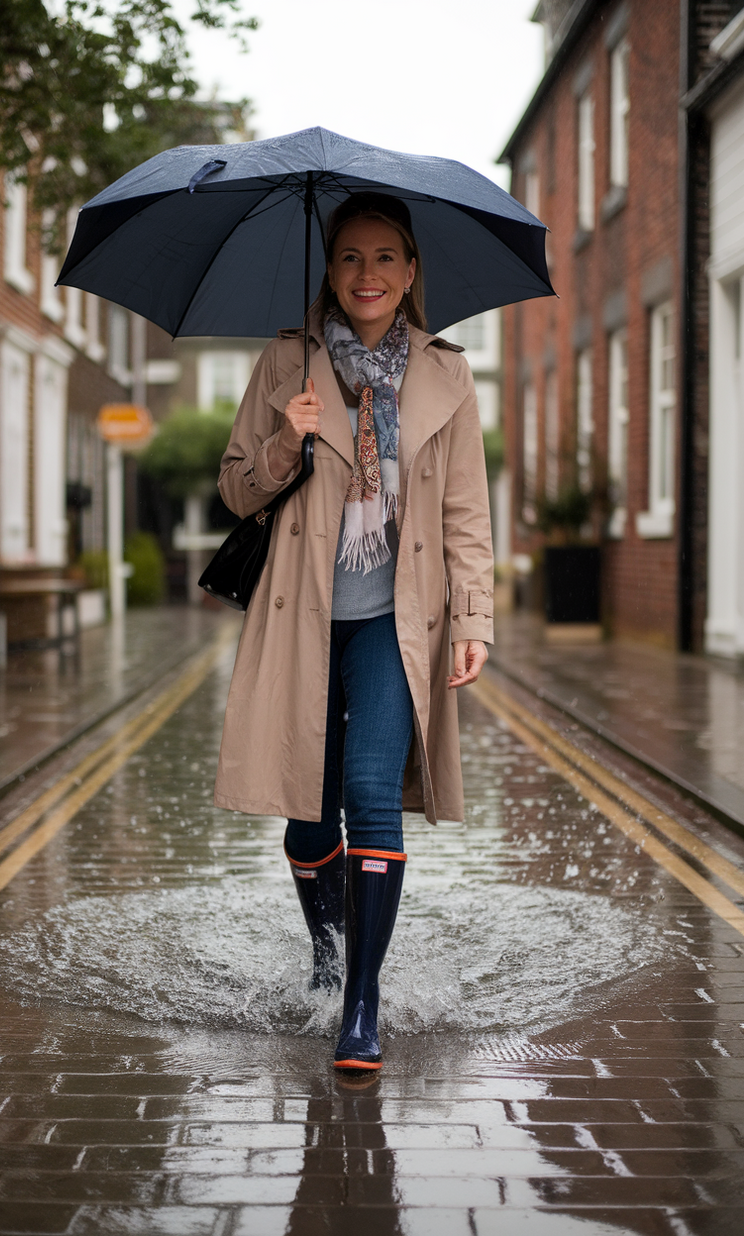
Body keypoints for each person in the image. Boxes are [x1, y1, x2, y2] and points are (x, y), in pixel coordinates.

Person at [215, 192, 494, 1072]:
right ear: (329, 274)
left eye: (384, 258)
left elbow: (465, 512)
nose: (366, 275)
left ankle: (361, 1007)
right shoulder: (285, 365)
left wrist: (473, 616)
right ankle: (329, 954)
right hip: (299, 622)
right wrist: (281, 448)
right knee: (308, 815)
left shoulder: (447, 375)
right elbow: (232, 491)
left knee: (372, 793)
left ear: (411, 273)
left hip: (392, 622)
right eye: (349, 258)